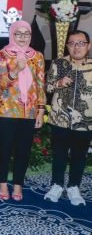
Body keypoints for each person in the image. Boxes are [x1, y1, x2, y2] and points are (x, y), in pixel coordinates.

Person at [0, 21, 45, 201]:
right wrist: (15, 71)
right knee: (4, 149)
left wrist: (40, 110)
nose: (22, 37)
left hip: (28, 112)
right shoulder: (1, 55)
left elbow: (40, 84)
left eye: (26, 34)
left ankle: (17, 184)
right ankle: (1, 182)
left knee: (23, 150)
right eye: (18, 33)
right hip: (5, 110)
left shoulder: (37, 56)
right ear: (12, 34)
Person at [44, 30, 92, 207]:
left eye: (81, 43)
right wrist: (58, 83)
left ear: (88, 45)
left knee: (79, 155)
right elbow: (47, 87)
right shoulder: (59, 63)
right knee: (59, 154)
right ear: (67, 46)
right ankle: (56, 185)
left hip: (85, 122)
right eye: (72, 43)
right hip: (60, 119)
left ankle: (74, 187)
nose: (76, 47)